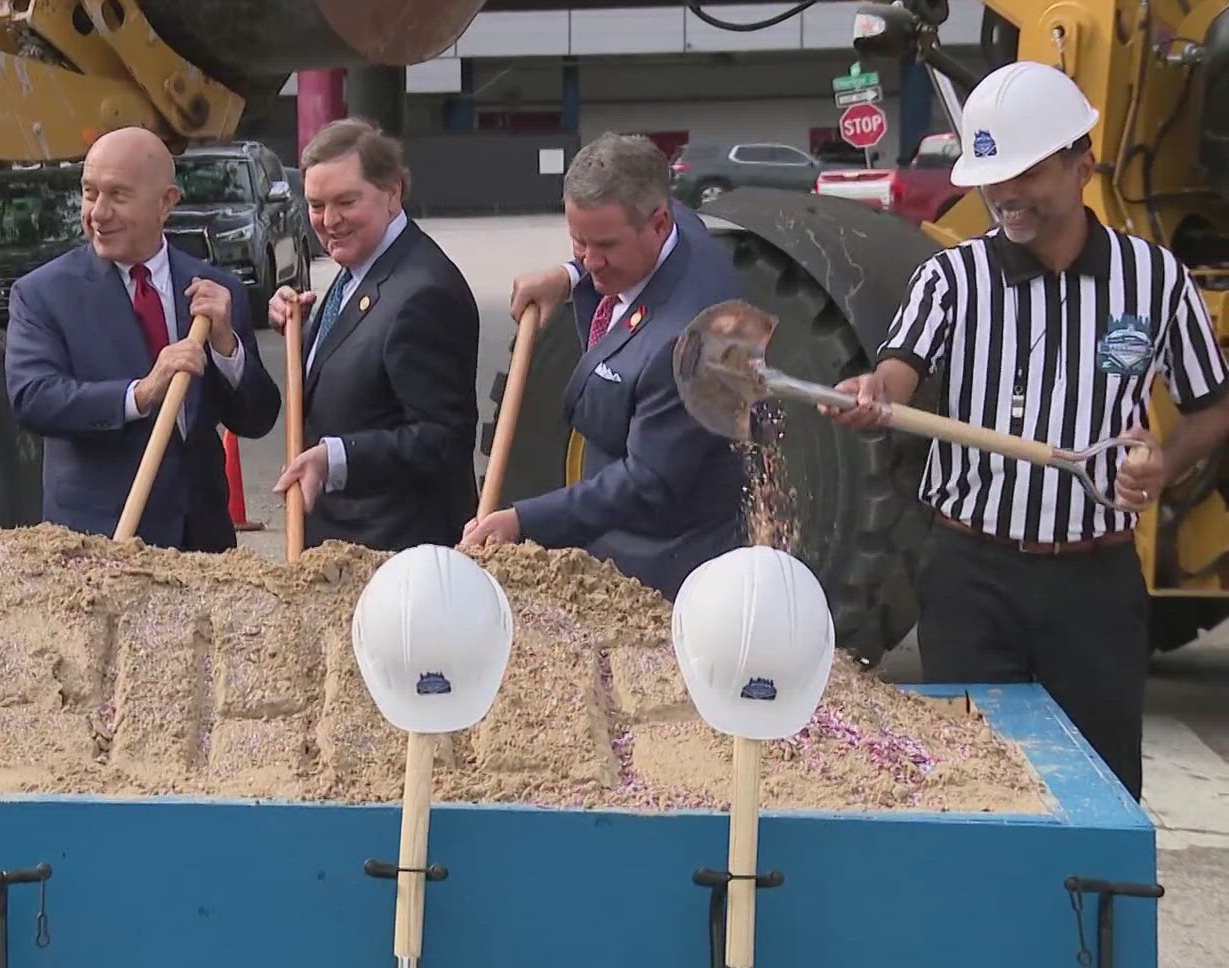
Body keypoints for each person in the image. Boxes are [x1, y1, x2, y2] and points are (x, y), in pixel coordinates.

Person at [825, 60, 1229, 800]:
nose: (1006, 196)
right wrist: (870, 393)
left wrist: (1162, 466)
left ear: (1083, 165)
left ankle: (1093, 920)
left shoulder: (1155, 281)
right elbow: (897, 374)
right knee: (976, 790)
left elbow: (1211, 410)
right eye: (993, 176)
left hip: (1097, 584)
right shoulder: (952, 280)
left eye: (1027, 173)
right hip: (970, 578)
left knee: (1100, 798)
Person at [459, 133, 745, 599]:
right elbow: (597, 256)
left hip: (668, 569)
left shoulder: (687, 341)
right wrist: (567, 277)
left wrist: (524, 520)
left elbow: (646, 481)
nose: (591, 261)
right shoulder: (677, 228)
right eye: (578, 241)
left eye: (605, 246)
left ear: (657, 223)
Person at [5, 126, 281, 550]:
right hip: (99, 544)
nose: (97, 213)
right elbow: (34, 398)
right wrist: (142, 393)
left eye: (118, 195)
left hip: (201, 543)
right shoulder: (43, 294)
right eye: (89, 192)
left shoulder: (215, 290)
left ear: (166, 202)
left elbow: (257, 420)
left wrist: (228, 350)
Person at [269, 119, 480, 551]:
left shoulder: (425, 291)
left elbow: (444, 438)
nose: (329, 221)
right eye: (315, 205)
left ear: (392, 193)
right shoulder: (356, 273)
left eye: (346, 201)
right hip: (342, 548)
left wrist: (336, 458)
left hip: (394, 559)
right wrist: (303, 332)